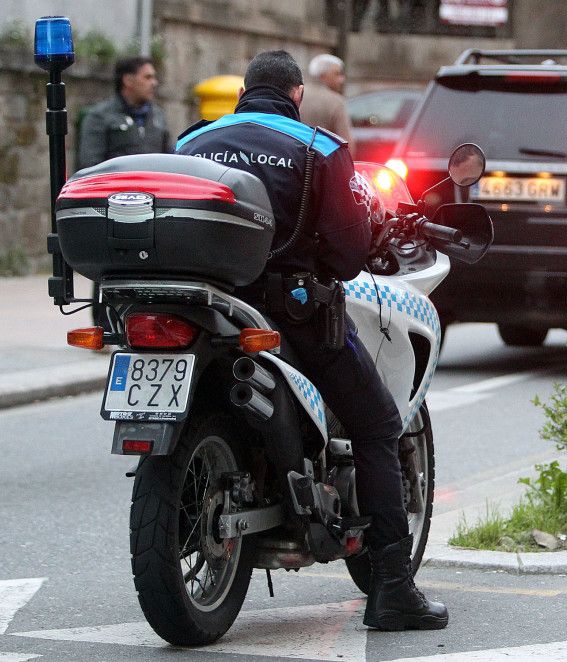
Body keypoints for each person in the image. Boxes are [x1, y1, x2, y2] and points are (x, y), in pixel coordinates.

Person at [175, 50, 448, 631]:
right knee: (377, 425)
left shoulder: (192, 140)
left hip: (204, 309)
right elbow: (349, 258)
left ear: (244, 91)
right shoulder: (318, 147)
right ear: (297, 94)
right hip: (289, 315)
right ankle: (393, 589)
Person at [77, 56, 172, 329]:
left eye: (154, 77)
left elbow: (170, 160)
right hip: (114, 208)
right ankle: (105, 325)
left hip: (152, 208)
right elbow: (90, 165)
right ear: (127, 81)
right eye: (147, 77)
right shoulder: (100, 117)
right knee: (111, 268)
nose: (154, 83)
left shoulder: (158, 117)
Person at [300, 53, 355, 153]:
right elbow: (347, 146)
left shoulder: (297, 95)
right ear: (323, 76)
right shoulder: (336, 101)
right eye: (337, 74)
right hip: (323, 162)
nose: (342, 80)